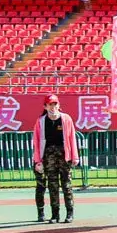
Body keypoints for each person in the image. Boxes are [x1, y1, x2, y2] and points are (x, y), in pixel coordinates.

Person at [32, 95, 78, 224]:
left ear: (59, 105)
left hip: (64, 155)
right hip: (48, 156)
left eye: (55, 104)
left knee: (66, 185)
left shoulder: (66, 119)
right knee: (52, 186)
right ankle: (55, 214)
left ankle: (69, 213)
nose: (53, 107)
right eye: (50, 105)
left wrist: (75, 156)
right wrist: (38, 161)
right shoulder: (41, 121)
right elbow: (36, 142)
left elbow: (72, 138)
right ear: (45, 106)